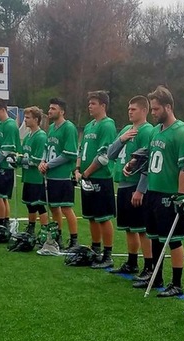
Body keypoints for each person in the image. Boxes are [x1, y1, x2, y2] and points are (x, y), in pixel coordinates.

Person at [127, 86, 184, 297]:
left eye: (156, 109)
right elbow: (148, 158)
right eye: (152, 109)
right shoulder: (156, 131)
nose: (153, 113)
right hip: (153, 192)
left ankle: (176, 283)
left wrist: (181, 197)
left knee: (172, 239)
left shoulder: (181, 132)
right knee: (154, 236)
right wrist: (133, 163)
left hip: (169, 194)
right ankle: (156, 277)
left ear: (168, 107)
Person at [107, 95, 155, 276]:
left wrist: (141, 189)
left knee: (141, 228)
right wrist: (122, 139)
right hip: (123, 184)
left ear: (144, 110)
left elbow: (148, 162)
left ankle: (149, 266)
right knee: (128, 227)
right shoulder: (127, 129)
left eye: (133, 109)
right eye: (129, 109)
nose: (130, 112)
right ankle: (132, 261)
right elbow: (110, 154)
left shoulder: (147, 131)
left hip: (136, 186)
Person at [79, 91, 118, 269]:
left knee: (103, 217)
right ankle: (95, 250)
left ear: (103, 105)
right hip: (87, 177)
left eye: (93, 103)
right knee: (92, 217)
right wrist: (78, 169)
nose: (90, 106)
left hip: (100, 178)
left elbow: (104, 156)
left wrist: (86, 172)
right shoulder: (89, 126)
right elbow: (82, 150)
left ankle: (108, 254)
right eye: (89, 103)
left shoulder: (107, 125)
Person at [39, 98, 80, 252]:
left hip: (62, 176)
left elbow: (69, 154)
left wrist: (49, 164)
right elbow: (46, 148)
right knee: (54, 208)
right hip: (51, 175)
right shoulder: (51, 128)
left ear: (62, 111)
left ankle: (74, 239)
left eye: (53, 108)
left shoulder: (68, 127)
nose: (50, 111)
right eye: (49, 108)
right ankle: (58, 237)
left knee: (66, 208)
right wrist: (42, 161)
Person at [0, 98, 21, 228]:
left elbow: (8, 148)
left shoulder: (10, 124)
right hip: (0, 164)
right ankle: (4, 221)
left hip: (5, 165)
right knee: (1, 197)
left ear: (3, 109)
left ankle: (1, 223)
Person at [20, 106, 49, 234]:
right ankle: (31, 227)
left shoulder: (41, 136)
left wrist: (22, 160)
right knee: (29, 204)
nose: (25, 120)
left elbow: (37, 159)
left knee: (38, 204)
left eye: (28, 118)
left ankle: (44, 230)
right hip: (28, 176)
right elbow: (22, 154)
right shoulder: (27, 136)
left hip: (37, 177)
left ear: (36, 119)